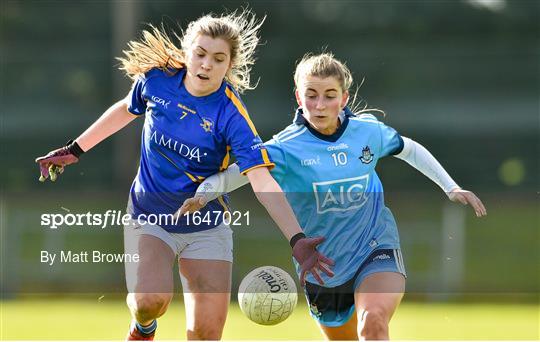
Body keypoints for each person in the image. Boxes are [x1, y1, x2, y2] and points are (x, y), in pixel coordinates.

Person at [35, 11, 333, 341]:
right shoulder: (157, 80)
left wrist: (297, 239)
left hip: (206, 226)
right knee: (149, 302)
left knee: (205, 334)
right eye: (200, 54)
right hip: (149, 215)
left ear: (229, 65)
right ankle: (143, 328)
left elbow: (261, 179)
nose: (207, 64)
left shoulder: (231, 114)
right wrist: (75, 149)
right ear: (187, 51)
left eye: (218, 59)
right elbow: (125, 108)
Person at [178, 52, 487, 340]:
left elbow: (409, 148)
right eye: (311, 95)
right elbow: (236, 175)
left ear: (344, 98)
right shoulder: (284, 147)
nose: (320, 105)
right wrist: (203, 195)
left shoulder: (367, 132)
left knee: (374, 321)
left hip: (374, 247)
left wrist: (451, 187)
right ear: (299, 97)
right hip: (322, 267)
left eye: (329, 96)